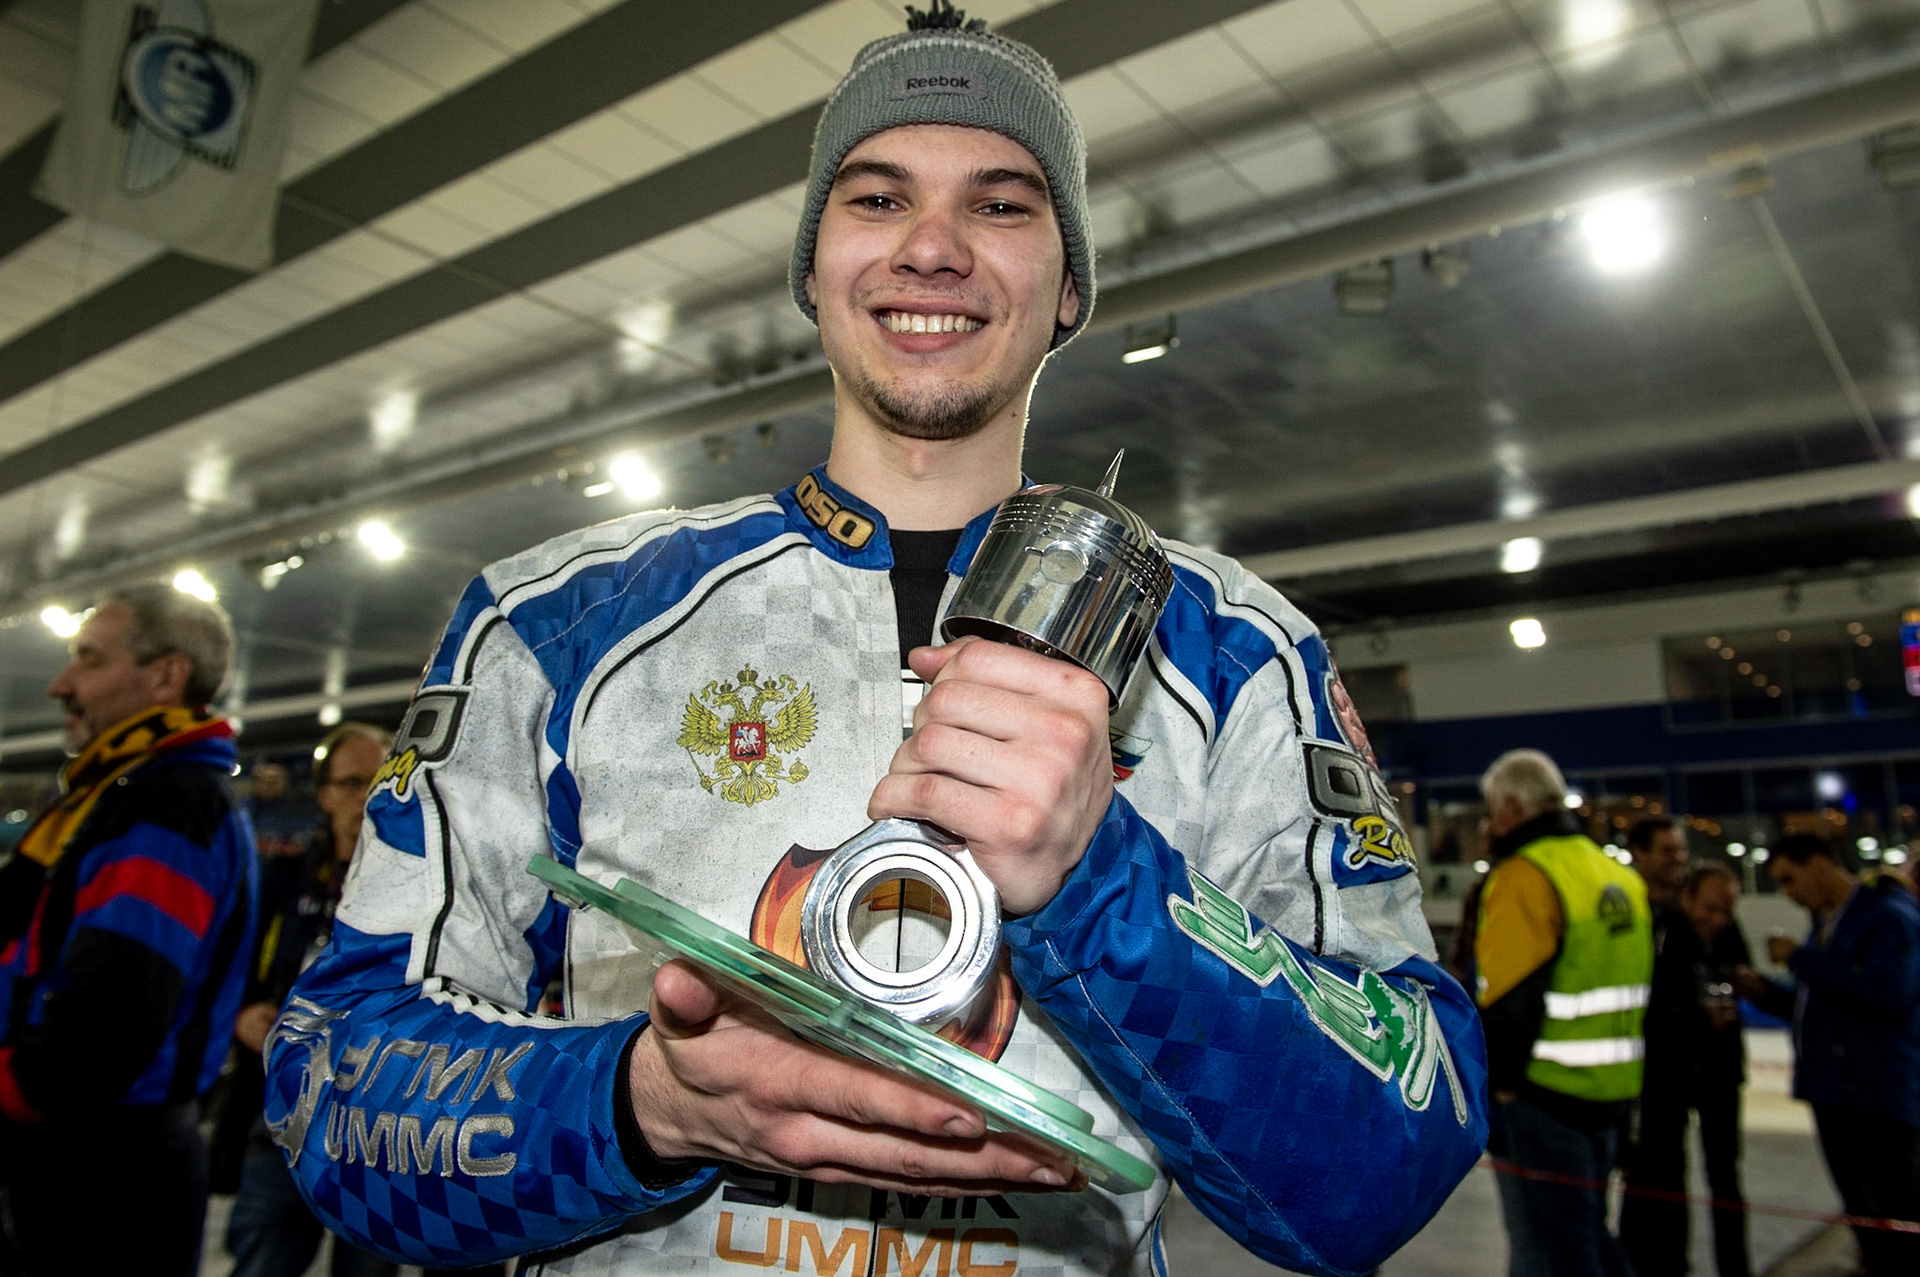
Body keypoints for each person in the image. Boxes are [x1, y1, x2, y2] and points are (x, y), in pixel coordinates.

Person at [263, 6, 1489, 1274]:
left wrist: (1101, 880)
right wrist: (645, 1103)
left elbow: (1398, 1152)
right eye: (878, 197)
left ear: (1071, 288)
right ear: (811, 265)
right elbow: (326, 1080)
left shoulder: (1235, 653)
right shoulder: (558, 622)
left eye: (1003, 205)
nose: (934, 248)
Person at [0, 584, 257, 1276]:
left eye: (88, 659)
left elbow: (114, 1010)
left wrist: (13, 1082)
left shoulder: (169, 800)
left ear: (166, 675)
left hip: (104, 1167)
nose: (62, 683)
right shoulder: (118, 792)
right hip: (80, 1150)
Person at [219, 723, 402, 1277]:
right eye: (351, 783)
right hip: (280, 1110)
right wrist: (243, 1013)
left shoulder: (415, 887)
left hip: (375, 1124)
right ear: (323, 794)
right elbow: (233, 965)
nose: (366, 795)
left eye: (381, 780)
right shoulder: (283, 876)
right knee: (263, 1260)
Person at [1475, 748, 1652, 1277]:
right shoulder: (1612, 872)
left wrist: (1500, 1082)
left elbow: (1509, 997)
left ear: (1510, 805)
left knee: (1563, 1250)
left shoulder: (1526, 875)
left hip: (1546, 1094)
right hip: (1615, 1089)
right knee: (1589, 1232)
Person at [1737, 833, 1920, 1275]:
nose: (1788, 893)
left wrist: (1801, 961)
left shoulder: (1886, 916)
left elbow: (1887, 992)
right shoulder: (1830, 921)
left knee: (1894, 1210)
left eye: (1789, 879)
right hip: (1838, 1091)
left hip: (1876, 1093)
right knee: (1863, 1213)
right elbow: (1822, 1004)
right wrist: (1766, 993)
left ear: (1819, 863)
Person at [1621, 863, 1754, 1277]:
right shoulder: (1662, 934)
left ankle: (1736, 1267)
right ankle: (1670, 1265)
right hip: (1669, 1077)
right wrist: (1699, 1017)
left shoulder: (1729, 936)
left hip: (1720, 1074)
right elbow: (1646, 1009)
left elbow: (1741, 979)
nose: (1718, 919)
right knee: (1666, 1178)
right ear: (1688, 898)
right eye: (1710, 909)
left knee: (1726, 1178)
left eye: (1726, 910)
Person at [1627, 815, 1689, 914]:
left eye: (1681, 850)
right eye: (1667, 851)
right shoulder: (1625, 905)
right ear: (1639, 854)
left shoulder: (1694, 907)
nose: (1678, 858)